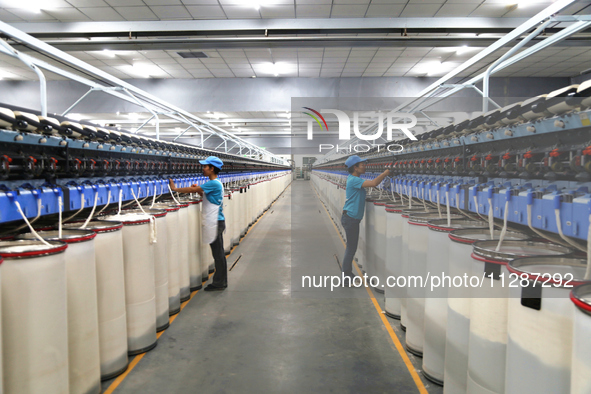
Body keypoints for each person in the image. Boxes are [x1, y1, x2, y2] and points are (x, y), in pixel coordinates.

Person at [169, 156, 228, 291]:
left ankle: (220, 283)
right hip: (216, 221)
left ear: (212, 168)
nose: (203, 169)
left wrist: (175, 189)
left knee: (218, 254)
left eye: (205, 166)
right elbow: (208, 197)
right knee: (218, 253)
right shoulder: (215, 183)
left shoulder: (214, 183)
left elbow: (191, 190)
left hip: (215, 222)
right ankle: (220, 281)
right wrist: (200, 190)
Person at [341, 155, 391, 283]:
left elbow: (371, 185)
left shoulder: (355, 179)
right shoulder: (354, 180)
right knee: (351, 248)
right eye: (362, 165)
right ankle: (346, 277)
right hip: (350, 218)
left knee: (351, 247)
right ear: (355, 167)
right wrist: (386, 173)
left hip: (351, 217)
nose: (365, 166)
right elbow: (374, 183)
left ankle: (347, 275)